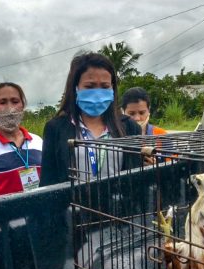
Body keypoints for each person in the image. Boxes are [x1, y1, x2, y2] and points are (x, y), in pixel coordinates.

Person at [39, 52, 141, 187]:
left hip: (118, 205)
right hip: (73, 206)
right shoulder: (55, 128)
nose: (98, 93)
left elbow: (138, 181)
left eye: (105, 87)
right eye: (89, 86)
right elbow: (48, 182)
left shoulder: (130, 127)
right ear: (75, 88)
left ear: (113, 89)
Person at [0, 82, 43, 196]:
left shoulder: (38, 141)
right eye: (2, 102)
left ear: (23, 106)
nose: (10, 108)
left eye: (15, 101)